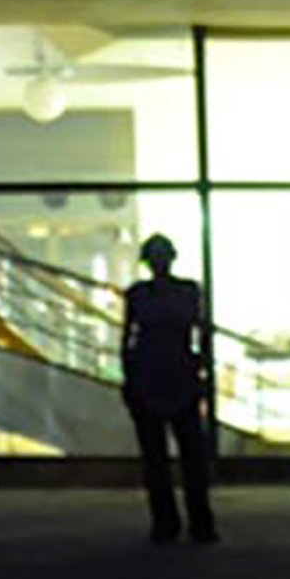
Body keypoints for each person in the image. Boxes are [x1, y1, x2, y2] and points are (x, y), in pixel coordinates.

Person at [119, 233, 219, 546]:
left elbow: (127, 339)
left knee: (169, 458)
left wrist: (131, 377)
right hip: (170, 374)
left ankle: (173, 524)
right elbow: (201, 333)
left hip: (161, 374)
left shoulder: (143, 294)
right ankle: (190, 523)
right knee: (183, 457)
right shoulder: (185, 292)